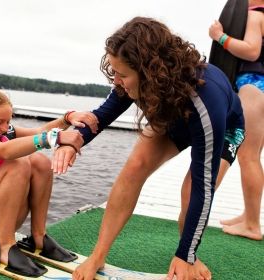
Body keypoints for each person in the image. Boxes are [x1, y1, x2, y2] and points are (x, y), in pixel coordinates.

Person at [52, 17, 245, 280]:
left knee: (191, 191)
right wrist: (75, 139)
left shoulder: (205, 102)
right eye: (114, 72)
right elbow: (104, 114)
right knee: (134, 168)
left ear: (151, 71)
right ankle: (98, 255)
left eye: (123, 75)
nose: (117, 81)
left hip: (222, 129)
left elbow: (204, 185)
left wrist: (185, 255)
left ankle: (188, 255)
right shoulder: (131, 77)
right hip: (175, 118)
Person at [0, 88, 96, 277]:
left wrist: (67, 118)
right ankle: (5, 247)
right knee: (17, 162)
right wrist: (54, 138)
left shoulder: (4, 130)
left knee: (40, 162)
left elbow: (38, 132)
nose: (5, 128)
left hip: (5, 218)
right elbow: (5, 151)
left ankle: (38, 237)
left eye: (8, 121)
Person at [203, 0, 264, 241]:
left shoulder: (254, 16)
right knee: (253, 155)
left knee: (248, 156)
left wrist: (219, 36)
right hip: (260, 88)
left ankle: (251, 224)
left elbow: (251, 51)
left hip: (253, 85)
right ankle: (249, 216)